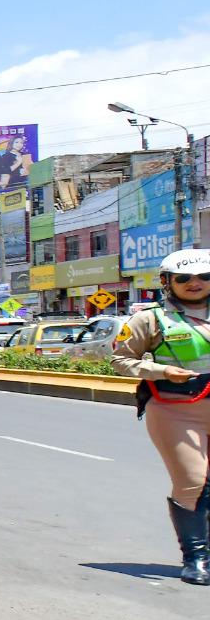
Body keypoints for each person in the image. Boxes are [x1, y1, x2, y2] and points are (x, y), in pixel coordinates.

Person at [110, 248, 210, 586]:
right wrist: (161, 370)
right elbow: (120, 360)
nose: (195, 283)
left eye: (204, 277)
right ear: (168, 282)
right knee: (194, 481)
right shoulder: (150, 319)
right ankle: (197, 558)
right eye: (185, 278)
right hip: (176, 409)